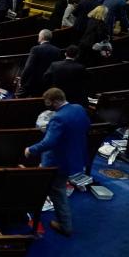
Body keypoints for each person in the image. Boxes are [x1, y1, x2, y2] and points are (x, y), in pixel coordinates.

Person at [24, 88, 91, 237]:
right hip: (74, 156)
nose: (48, 106)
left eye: (49, 103)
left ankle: (65, 225)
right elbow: (87, 125)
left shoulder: (58, 118)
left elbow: (49, 142)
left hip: (58, 161)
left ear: (54, 101)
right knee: (53, 188)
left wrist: (31, 149)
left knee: (57, 192)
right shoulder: (78, 108)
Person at [17, 30, 63, 98]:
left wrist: (22, 81)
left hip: (33, 83)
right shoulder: (57, 50)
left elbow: (28, 67)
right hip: (47, 84)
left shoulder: (36, 49)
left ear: (41, 37)